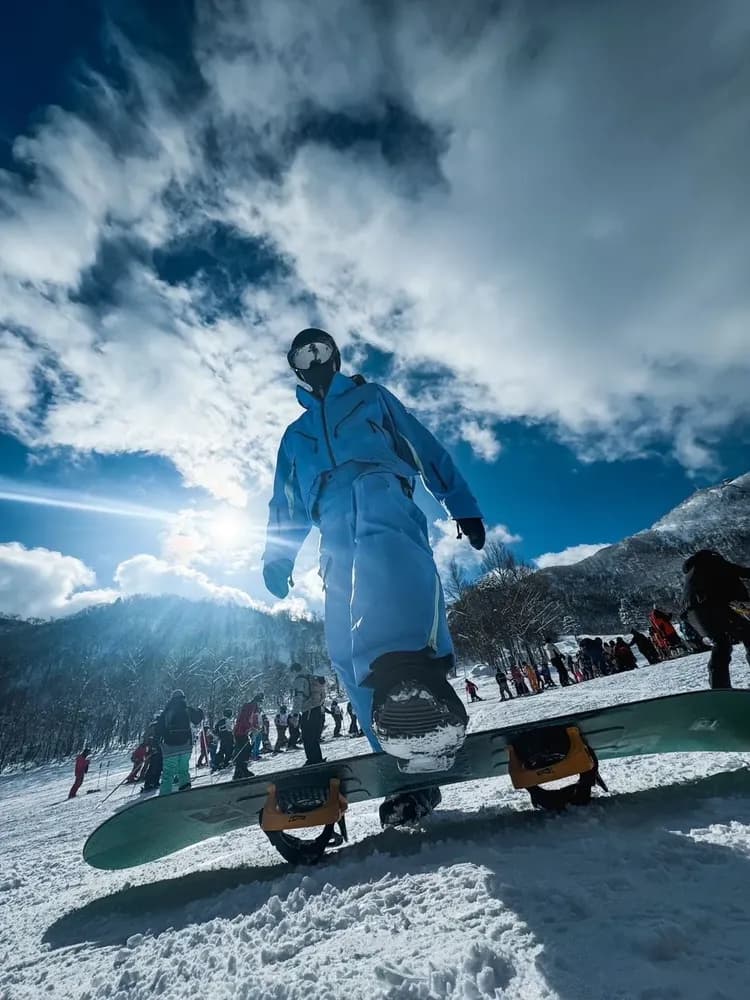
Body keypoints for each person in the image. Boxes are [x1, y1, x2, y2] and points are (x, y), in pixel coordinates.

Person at [262, 328, 485, 781]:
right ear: (295, 367)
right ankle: (395, 755)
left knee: (399, 583)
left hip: (381, 490)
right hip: (331, 520)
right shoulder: (295, 435)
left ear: (335, 356)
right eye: (303, 354)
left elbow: (423, 446)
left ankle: (424, 695)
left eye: (320, 348)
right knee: (343, 644)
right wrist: (278, 556)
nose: (313, 358)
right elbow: (284, 502)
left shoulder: (372, 399)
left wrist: (459, 502)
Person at [682, 549, 750, 689]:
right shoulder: (712, 561)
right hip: (713, 605)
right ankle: (720, 686)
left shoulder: (692, 573)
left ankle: (719, 687)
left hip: (692, 613)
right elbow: (743, 572)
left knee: (721, 644)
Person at [155, 690, 203, 795]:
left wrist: (156, 743)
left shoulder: (167, 712)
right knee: (183, 770)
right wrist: (200, 711)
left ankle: (164, 795)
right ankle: (185, 791)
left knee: (168, 773)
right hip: (186, 746)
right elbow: (197, 720)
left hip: (169, 747)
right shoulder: (187, 710)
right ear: (183, 698)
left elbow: (158, 729)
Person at [291, 663, 326, 765]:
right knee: (314, 737)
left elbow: (298, 697)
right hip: (317, 709)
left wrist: (295, 714)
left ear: (294, 670)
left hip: (308, 710)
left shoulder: (299, 680)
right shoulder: (311, 677)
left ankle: (312, 760)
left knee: (307, 737)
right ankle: (318, 758)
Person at [233, 695, 263, 779]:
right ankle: (240, 771)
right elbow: (244, 720)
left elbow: (250, 720)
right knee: (244, 750)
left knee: (246, 750)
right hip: (240, 732)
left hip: (242, 732)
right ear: (257, 702)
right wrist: (251, 728)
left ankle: (241, 770)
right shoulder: (250, 707)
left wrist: (253, 727)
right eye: (260, 702)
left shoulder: (251, 707)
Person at [140, 722, 163, 792]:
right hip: (154, 750)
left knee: (159, 767)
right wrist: (149, 746)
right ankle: (148, 783)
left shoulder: (160, 726)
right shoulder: (153, 726)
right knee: (153, 767)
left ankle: (155, 782)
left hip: (160, 750)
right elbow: (146, 738)